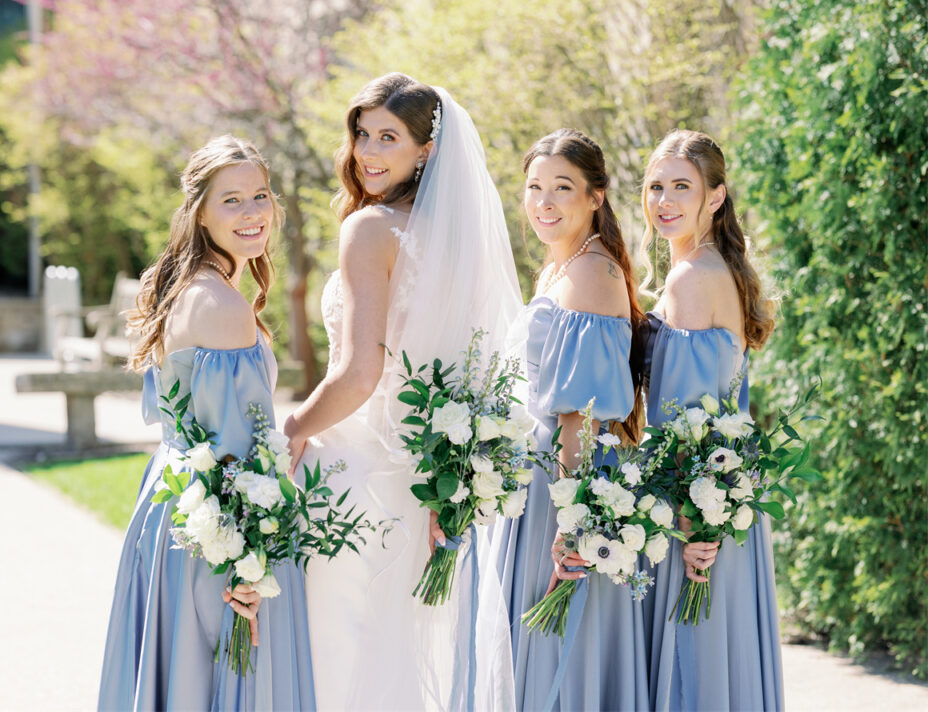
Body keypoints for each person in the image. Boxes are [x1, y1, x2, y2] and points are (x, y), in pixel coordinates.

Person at [283, 72, 523, 710]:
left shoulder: (369, 230)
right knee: (400, 658)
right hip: (424, 484)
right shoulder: (458, 241)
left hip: (355, 473)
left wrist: (292, 428)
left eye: (388, 137)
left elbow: (361, 373)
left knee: (337, 652)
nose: (367, 151)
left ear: (427, 150)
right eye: (363, 133)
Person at [98, 135, 315, 711]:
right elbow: (239, 458)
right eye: (232, 200)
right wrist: (249, 563)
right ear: (199, 212)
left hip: (174, 504)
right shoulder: (221, 307)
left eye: (261, 196)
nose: (253, 214)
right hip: (217, 529)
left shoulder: (181, 285)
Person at [489, 128, 650, 710]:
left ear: (595, 197)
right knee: (534, 642)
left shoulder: (590, 273)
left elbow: (576, 416)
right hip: (539, 477)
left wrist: (571, 517)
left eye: (562, 187)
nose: (545, 202)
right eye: (534, 188)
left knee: (560, 646)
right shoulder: (559, 269)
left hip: (567, 478)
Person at [639, 129, 781, 711]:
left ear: (715, 197)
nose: (664, 201)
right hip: (718, 496)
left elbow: (685, 420)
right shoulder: (715, 265)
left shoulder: (692, 277)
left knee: (691, 668)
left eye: (681, 187)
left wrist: (696, 523)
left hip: (693, 507)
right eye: (654, 187)